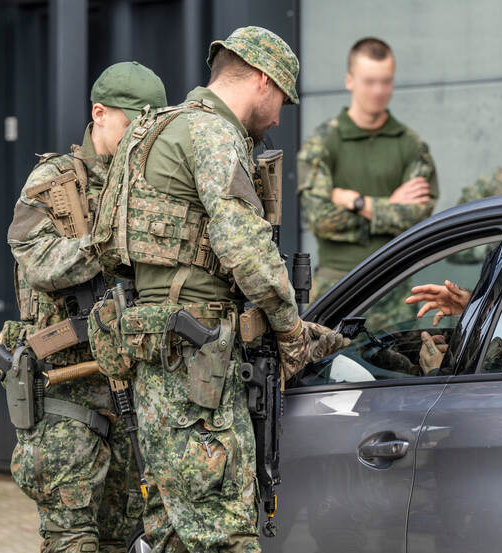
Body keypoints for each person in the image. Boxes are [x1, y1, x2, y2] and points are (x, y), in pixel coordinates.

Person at [96, 27, 346, 552]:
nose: (278, 118)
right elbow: (246, 248)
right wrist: (291, 332)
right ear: (261, 80)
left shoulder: (157, 130)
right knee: (224, 532)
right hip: (196, 365)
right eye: (282, 100)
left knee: (170, 531)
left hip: (158, 355)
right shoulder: (212, 133)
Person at [2, 61, 167, 553]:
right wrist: (111, 243)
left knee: (124, 536)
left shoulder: (148, 184)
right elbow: (39, 261)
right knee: (71, 538)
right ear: (100, 114)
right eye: (134, 125)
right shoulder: (53, 181)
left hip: (128, 388)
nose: (142, 139)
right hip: (66, 390)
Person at [298, 37, 438, 300]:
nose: (378, 91)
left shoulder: (411, 145)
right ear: (349, 81)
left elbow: (417, 219)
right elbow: (317, 218)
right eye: (369, 82)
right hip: (337, 289)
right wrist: (389, 207)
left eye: (386, 81)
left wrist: (356, 201)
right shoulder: (323, 142)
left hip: (394, 288)